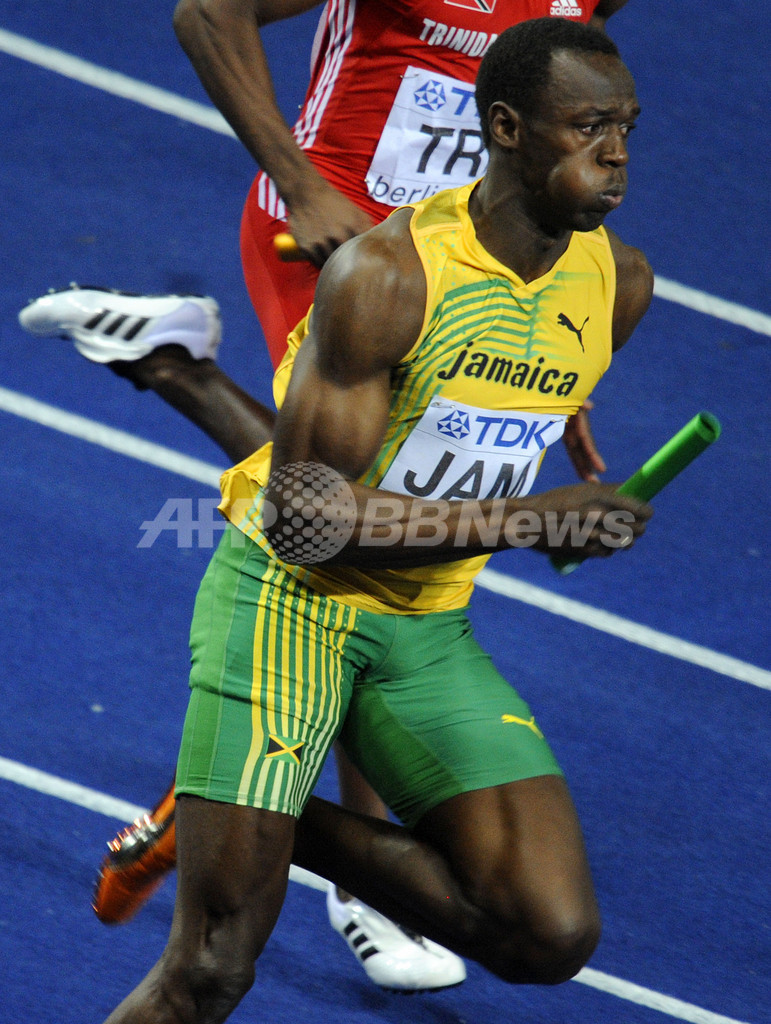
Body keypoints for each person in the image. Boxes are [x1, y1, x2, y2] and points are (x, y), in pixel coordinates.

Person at [19, 0, 631, 989]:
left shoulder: (606, 256)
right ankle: (330, 862)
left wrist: (546, 364)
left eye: (626, 131)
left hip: (503, 252)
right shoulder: (379, 270)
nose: (618, 151)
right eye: (598, 130)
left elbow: (571, 68)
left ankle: (171, 362)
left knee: (379, 480)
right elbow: (210, 10)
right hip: (340, 222)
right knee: (339, 491)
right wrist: (298, 182)